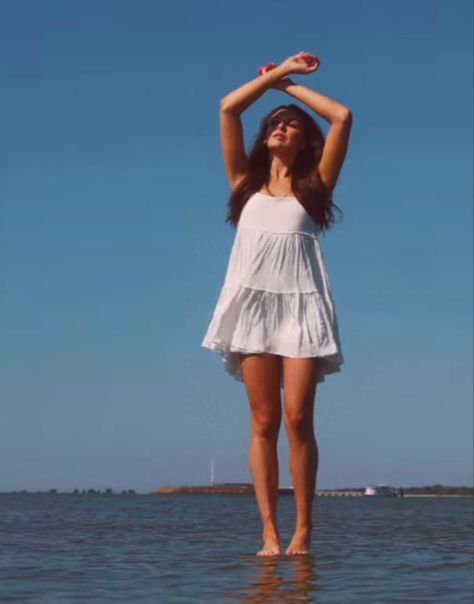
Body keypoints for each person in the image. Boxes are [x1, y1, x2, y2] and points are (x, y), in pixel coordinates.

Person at [201, 51, 352, 557]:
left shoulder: (316, 188)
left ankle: (304, 529)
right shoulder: (244, 185)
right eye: (274, 124)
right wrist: (273, 75)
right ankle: (269, 531)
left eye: (290, 126)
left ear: (306, 140)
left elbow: (342, 117)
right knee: (263, 423)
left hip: (301, 309)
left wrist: (286, 89)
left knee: (296, 420)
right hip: (253, 310)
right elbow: (227, 109)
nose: (280, 128)